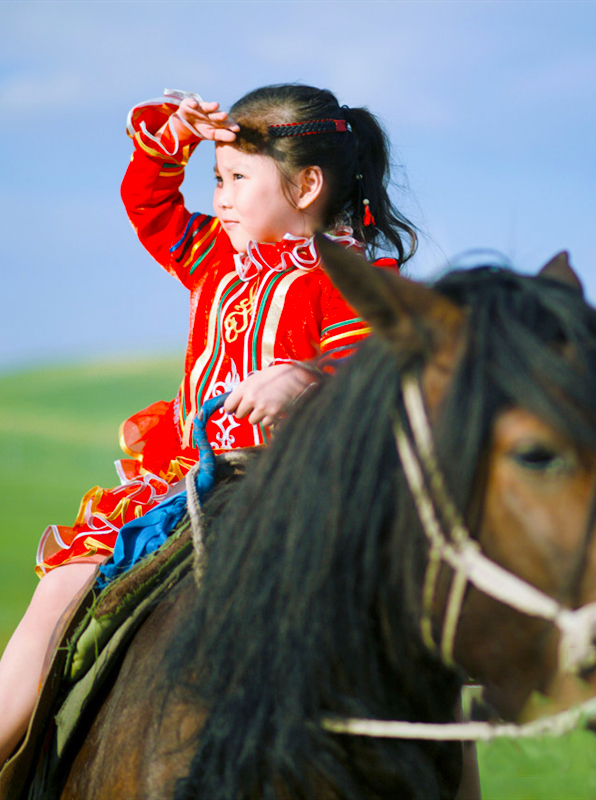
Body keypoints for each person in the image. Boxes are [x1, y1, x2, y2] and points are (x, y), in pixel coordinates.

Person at [0, 83, 416, 767]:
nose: (217, 196)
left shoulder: (347, 278)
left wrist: (310, 379)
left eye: (235, 179)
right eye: (215, 179)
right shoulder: (216, 261)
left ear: (307, 184)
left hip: (299, 487)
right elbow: (149, 205)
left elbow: (387, 375)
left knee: (415, 643)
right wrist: (177, 138)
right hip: (184, 485)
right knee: (58, 592)